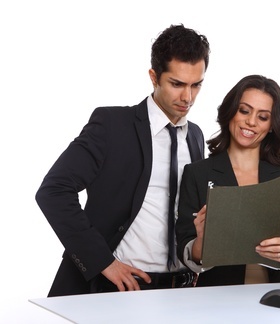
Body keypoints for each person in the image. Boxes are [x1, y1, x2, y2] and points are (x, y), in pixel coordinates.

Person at [35, 24, 211, 296]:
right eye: (177, 84)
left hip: (181, 290)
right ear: (154, 77)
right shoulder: (112, 125)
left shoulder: (195, 136)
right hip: (119, 287)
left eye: (196, 85)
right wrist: (103, 262)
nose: (187, 97)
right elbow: (54, 190)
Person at [176, 75, 280, 286]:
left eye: (263, 117)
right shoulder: (197, 173)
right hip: (218, 296)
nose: (251, 122)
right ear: (230, 112)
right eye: (244, 111)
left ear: (272, 125)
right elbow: (186, 248)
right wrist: (202, 241)